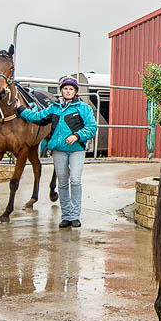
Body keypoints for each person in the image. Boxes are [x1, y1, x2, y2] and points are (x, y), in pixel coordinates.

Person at [17, 76, 97, 228]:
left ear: (75, 91)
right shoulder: (54, 108)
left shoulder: (83, 108)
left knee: (75, 180)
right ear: (61, 91)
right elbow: (37, 117)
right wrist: (21, 109)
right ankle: (66, 216)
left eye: (71, 89)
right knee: (62, 183)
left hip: (76, 150)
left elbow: (91, 127)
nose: (68, 91)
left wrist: (77, 136)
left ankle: (75, 215)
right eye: (65, 89)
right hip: (59, 151)